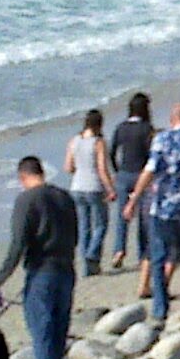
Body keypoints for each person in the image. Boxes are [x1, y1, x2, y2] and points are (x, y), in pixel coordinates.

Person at [0, 156, 77, 359]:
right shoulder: (63, 196)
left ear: (23, 177)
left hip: (41, 271)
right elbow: (75, 233)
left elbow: (18, 243)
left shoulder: (26, 200)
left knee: (42, 330)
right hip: (66, 268)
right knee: (59, 328)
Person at [124, 102, 180, 323]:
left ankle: (160, 307)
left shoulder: (162, 140)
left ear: (172, 119)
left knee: (159, 255)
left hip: (163, 206)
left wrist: (134, 198)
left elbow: (150, 170)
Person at [62, 107, 115, 278]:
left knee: (84, 227)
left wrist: (81, 167)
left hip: (77, 186)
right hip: (94, 187)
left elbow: (68, 167)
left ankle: (87, 267)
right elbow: (102, 169)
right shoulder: (98, 142)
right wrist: (110, 189)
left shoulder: (74, 141)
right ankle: (92, 255)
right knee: (101, 224)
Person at [108, 91, 155, 276]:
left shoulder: (121, 128)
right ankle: (143, 254)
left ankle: (119, 249)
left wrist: (117, 170)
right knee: (144, 217)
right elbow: (151, 154)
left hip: (124, 174)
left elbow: (112, 152)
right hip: (141, 174)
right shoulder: (147, 128)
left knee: (122, 215)